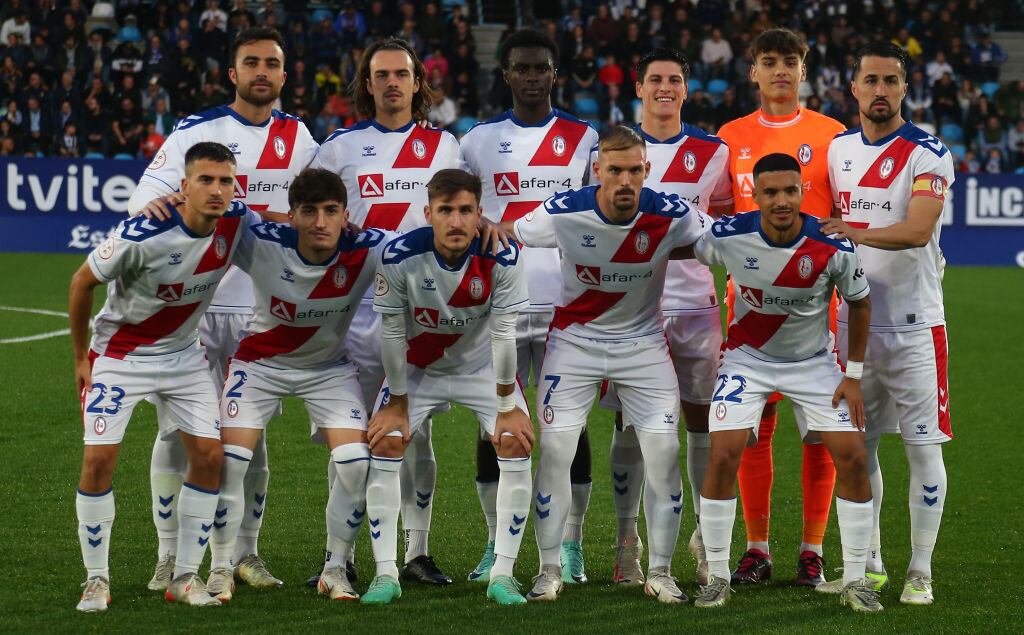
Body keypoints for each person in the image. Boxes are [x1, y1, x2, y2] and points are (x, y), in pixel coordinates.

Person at [127, 26, 318, 593]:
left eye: (272, 64)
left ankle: (243, 553)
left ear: (285, 75)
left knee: (247, 436)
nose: (262, 72)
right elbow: (145, 196)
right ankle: (169, 555)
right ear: (233, 74)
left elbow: (310, 218)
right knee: (174, 434)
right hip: (194, 306)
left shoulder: (300, 137)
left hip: (261, 308)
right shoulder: (198, 130)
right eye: (251, 62)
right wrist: (168, 202)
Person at [503, 126, 707, 604]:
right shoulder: (563, 209)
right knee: (555, 452)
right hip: (574, 342)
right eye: (614, 170)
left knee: (664, 456)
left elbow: (718, 240)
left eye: (634, 170)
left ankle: (660, 571)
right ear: (597, 171)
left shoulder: (671, 212)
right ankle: (548, 568)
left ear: (646, 171)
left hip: (642, 345)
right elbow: (513, 234)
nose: (625, 181)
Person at [69, 142, 258, 611]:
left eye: (225, 181)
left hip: (183, 357)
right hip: (121, 356)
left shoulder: (237, 223)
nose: (217, 190)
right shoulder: (142, 233)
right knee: (98, 462)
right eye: (205, 180)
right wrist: (80, 358)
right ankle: (96, 580)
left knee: (210, 457)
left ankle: (184, 577)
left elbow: (285, 229)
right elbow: (81, 283)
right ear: (184, 186)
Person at [688, 152, 879, 613]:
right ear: (755, 194)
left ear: (801, 192)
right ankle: (716, 576)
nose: (781, 201)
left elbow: (861, 302)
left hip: (813, 363)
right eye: (770, 192)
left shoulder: (832, 245)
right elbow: (683, 251)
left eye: (790, 191)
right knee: (724, 453)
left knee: (852, 455)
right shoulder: (728, 235)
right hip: (746, 360)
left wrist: (852, 376)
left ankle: (855, 580)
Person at [313, 37, 462, 586]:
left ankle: (416, 552)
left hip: (423, 315)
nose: (393, 83)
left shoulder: (446, 147)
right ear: (367, 84)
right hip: (355, 315)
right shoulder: (338, 148)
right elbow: (316, 217)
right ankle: (338, 558)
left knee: (415, 435)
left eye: (403, 74)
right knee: (349, 438)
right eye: (382, 75)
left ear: (418, 82)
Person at [207, 168, 388, 603]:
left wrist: (484, 228)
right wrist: (169, 200)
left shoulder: (370, 248)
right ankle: (219, 568)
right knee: (231, 460)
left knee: (354, 464)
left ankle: (335, 568)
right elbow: (211, 205)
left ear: (346, 214)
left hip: (327, 368)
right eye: (309, 212)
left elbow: (427, 247)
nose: (320, 223)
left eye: (330, 211)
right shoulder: (262, 241)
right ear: (292, 215)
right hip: (259, 364)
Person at [459, 28, 598, 586]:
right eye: (523, 68)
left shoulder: (585, 139)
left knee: (570, 428)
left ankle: (572, 545)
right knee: (495, 425)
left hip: (568, 303)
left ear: (555, 74)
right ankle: (496, 545)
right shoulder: (477, 142)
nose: (533, 76)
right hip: (501, 304)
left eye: (543, 68)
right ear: (507, 74)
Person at [818, 41, 955, 606]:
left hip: (915, 326)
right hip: (852, 329)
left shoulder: (928, 153)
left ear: (905, 88)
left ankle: (919, 570)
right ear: (853, 88)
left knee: (924, 450)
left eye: (890, 81)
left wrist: (850, 230)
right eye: (870, 80)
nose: (880, 91)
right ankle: (869, 562)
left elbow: (918, 230)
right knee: (859, 449)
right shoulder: (837, 150)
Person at [592, 48, 732, 587]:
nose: (665, 88)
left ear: (686, 89)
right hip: (631, 309)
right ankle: (627, 542)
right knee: (630, 425)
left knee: (700, 424)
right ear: (639, 87)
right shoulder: (615, 150)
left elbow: (718, 227)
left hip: (696, 309)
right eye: (656, 79)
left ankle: (700, 538)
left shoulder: (712, 151)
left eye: (675, 79)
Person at [715, 28, 846, 587]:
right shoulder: (731, 136)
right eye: (769, 62)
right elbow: (720, 214)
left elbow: (843, 214)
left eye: (790, 62)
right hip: (748, 311)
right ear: (754, 72)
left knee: (819, 430)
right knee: (754, 427)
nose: (780, 72)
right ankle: (757, 548)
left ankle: (812, 549)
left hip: (819, 306)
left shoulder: (832, 135)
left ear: (803, 70)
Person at [364, 169, 532, 605]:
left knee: (515, 441)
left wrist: (507, 405)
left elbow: (504, 334)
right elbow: (392, 335)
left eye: (465, 211)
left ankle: (503, 574)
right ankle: (385, 575)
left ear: (480, 214)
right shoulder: (400, 255)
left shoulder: (503, 256)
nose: (456, 222)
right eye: (445, 211)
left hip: (481, 368)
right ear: (428, 214)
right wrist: (397, 404)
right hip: (420, 371)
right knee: (386, 441)